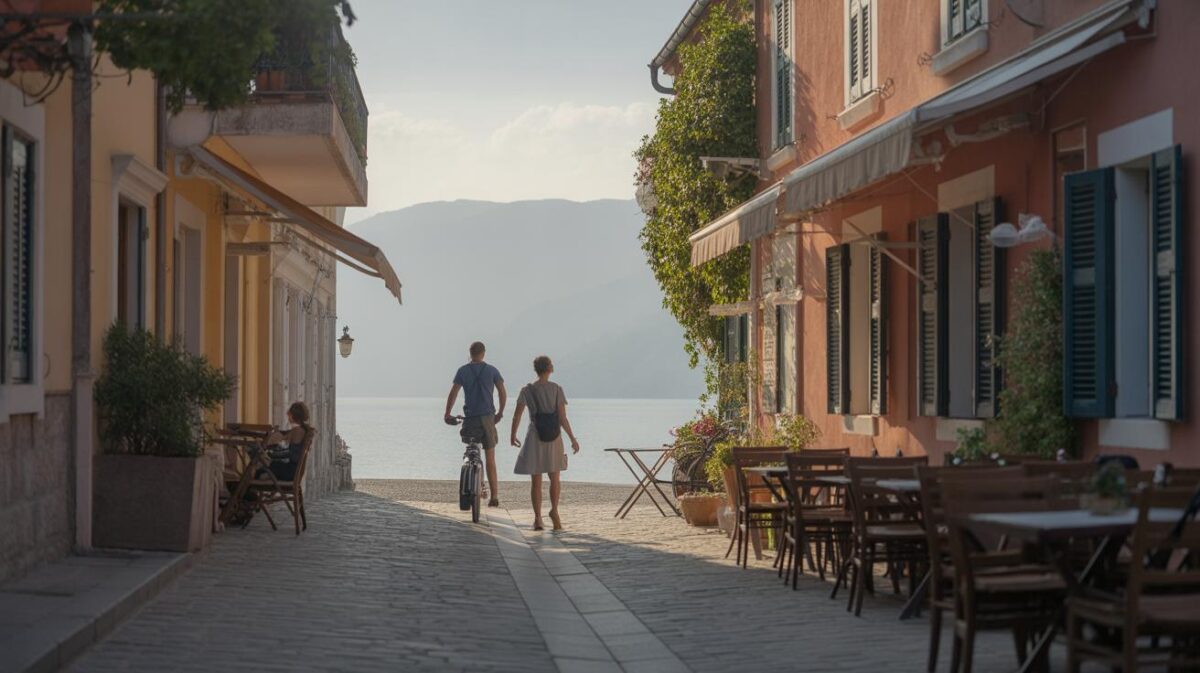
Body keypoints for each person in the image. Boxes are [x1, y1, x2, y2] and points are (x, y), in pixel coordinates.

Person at [510, 355, 579, 531]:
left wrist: (513, 434)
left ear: (536, 369)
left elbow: (517, 414)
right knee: (555, 477)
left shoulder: (527, 390)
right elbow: (563, 419)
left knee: (536, 481)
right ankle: (554, 511)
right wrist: (572, 439)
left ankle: (538, 519)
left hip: (534, 436)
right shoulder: (556, 389)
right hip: (554, 436)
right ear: (549, 368)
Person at [444, 341, 507, 507]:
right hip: (488, 418)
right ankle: (494, 497)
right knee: (490, 458)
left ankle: (475, 481)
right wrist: (500, 411)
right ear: (483, 353)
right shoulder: (492, 370)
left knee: (472, 449)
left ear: (470, 354)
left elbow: (453, 393)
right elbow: (502, 391)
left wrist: (447, 413)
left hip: (470, 418)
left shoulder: (463, 371)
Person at [262, 401, 313, 482]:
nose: (288, 416)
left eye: (289, 414)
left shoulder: (298, 431)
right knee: (260, 464)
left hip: (289, 471)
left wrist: (271, 455)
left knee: (258, 462)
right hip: (290, 469)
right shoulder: (299, 430)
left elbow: (292, 455)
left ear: (292, 416)